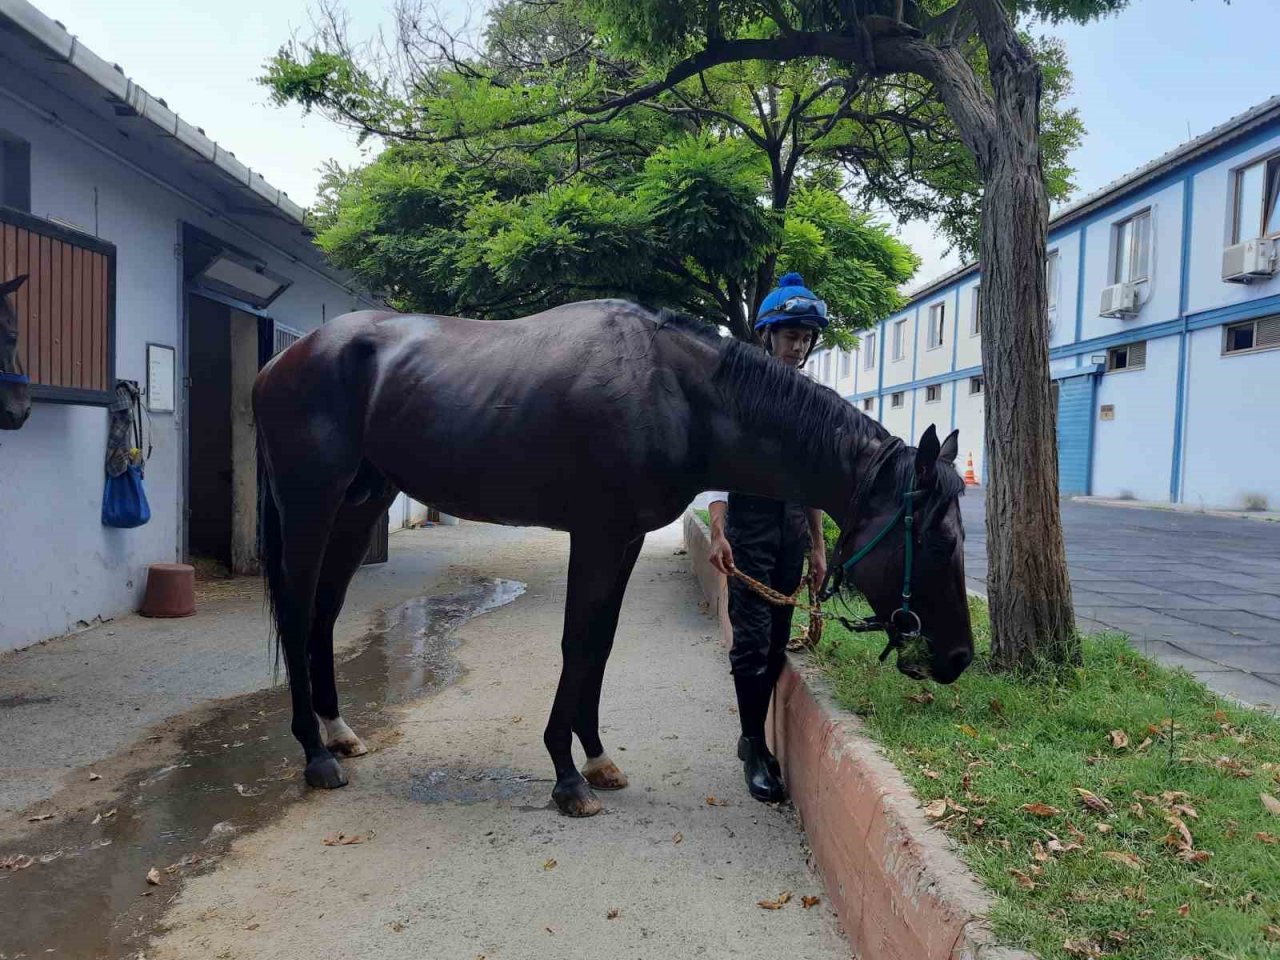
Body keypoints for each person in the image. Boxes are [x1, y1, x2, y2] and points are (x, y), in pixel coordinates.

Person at [706, 272, 829, 803]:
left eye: (805, 337)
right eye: (789, 335)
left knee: (777, 641)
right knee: (752, 642)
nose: (797, 345)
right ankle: (754, 746)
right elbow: (716, 472)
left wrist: (818, 547)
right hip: (748, 529)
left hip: (791, 531)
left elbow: (814, 480)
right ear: (768, 335)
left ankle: (751, 734)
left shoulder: (813, 400)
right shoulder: (740, 396)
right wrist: (718, 531)